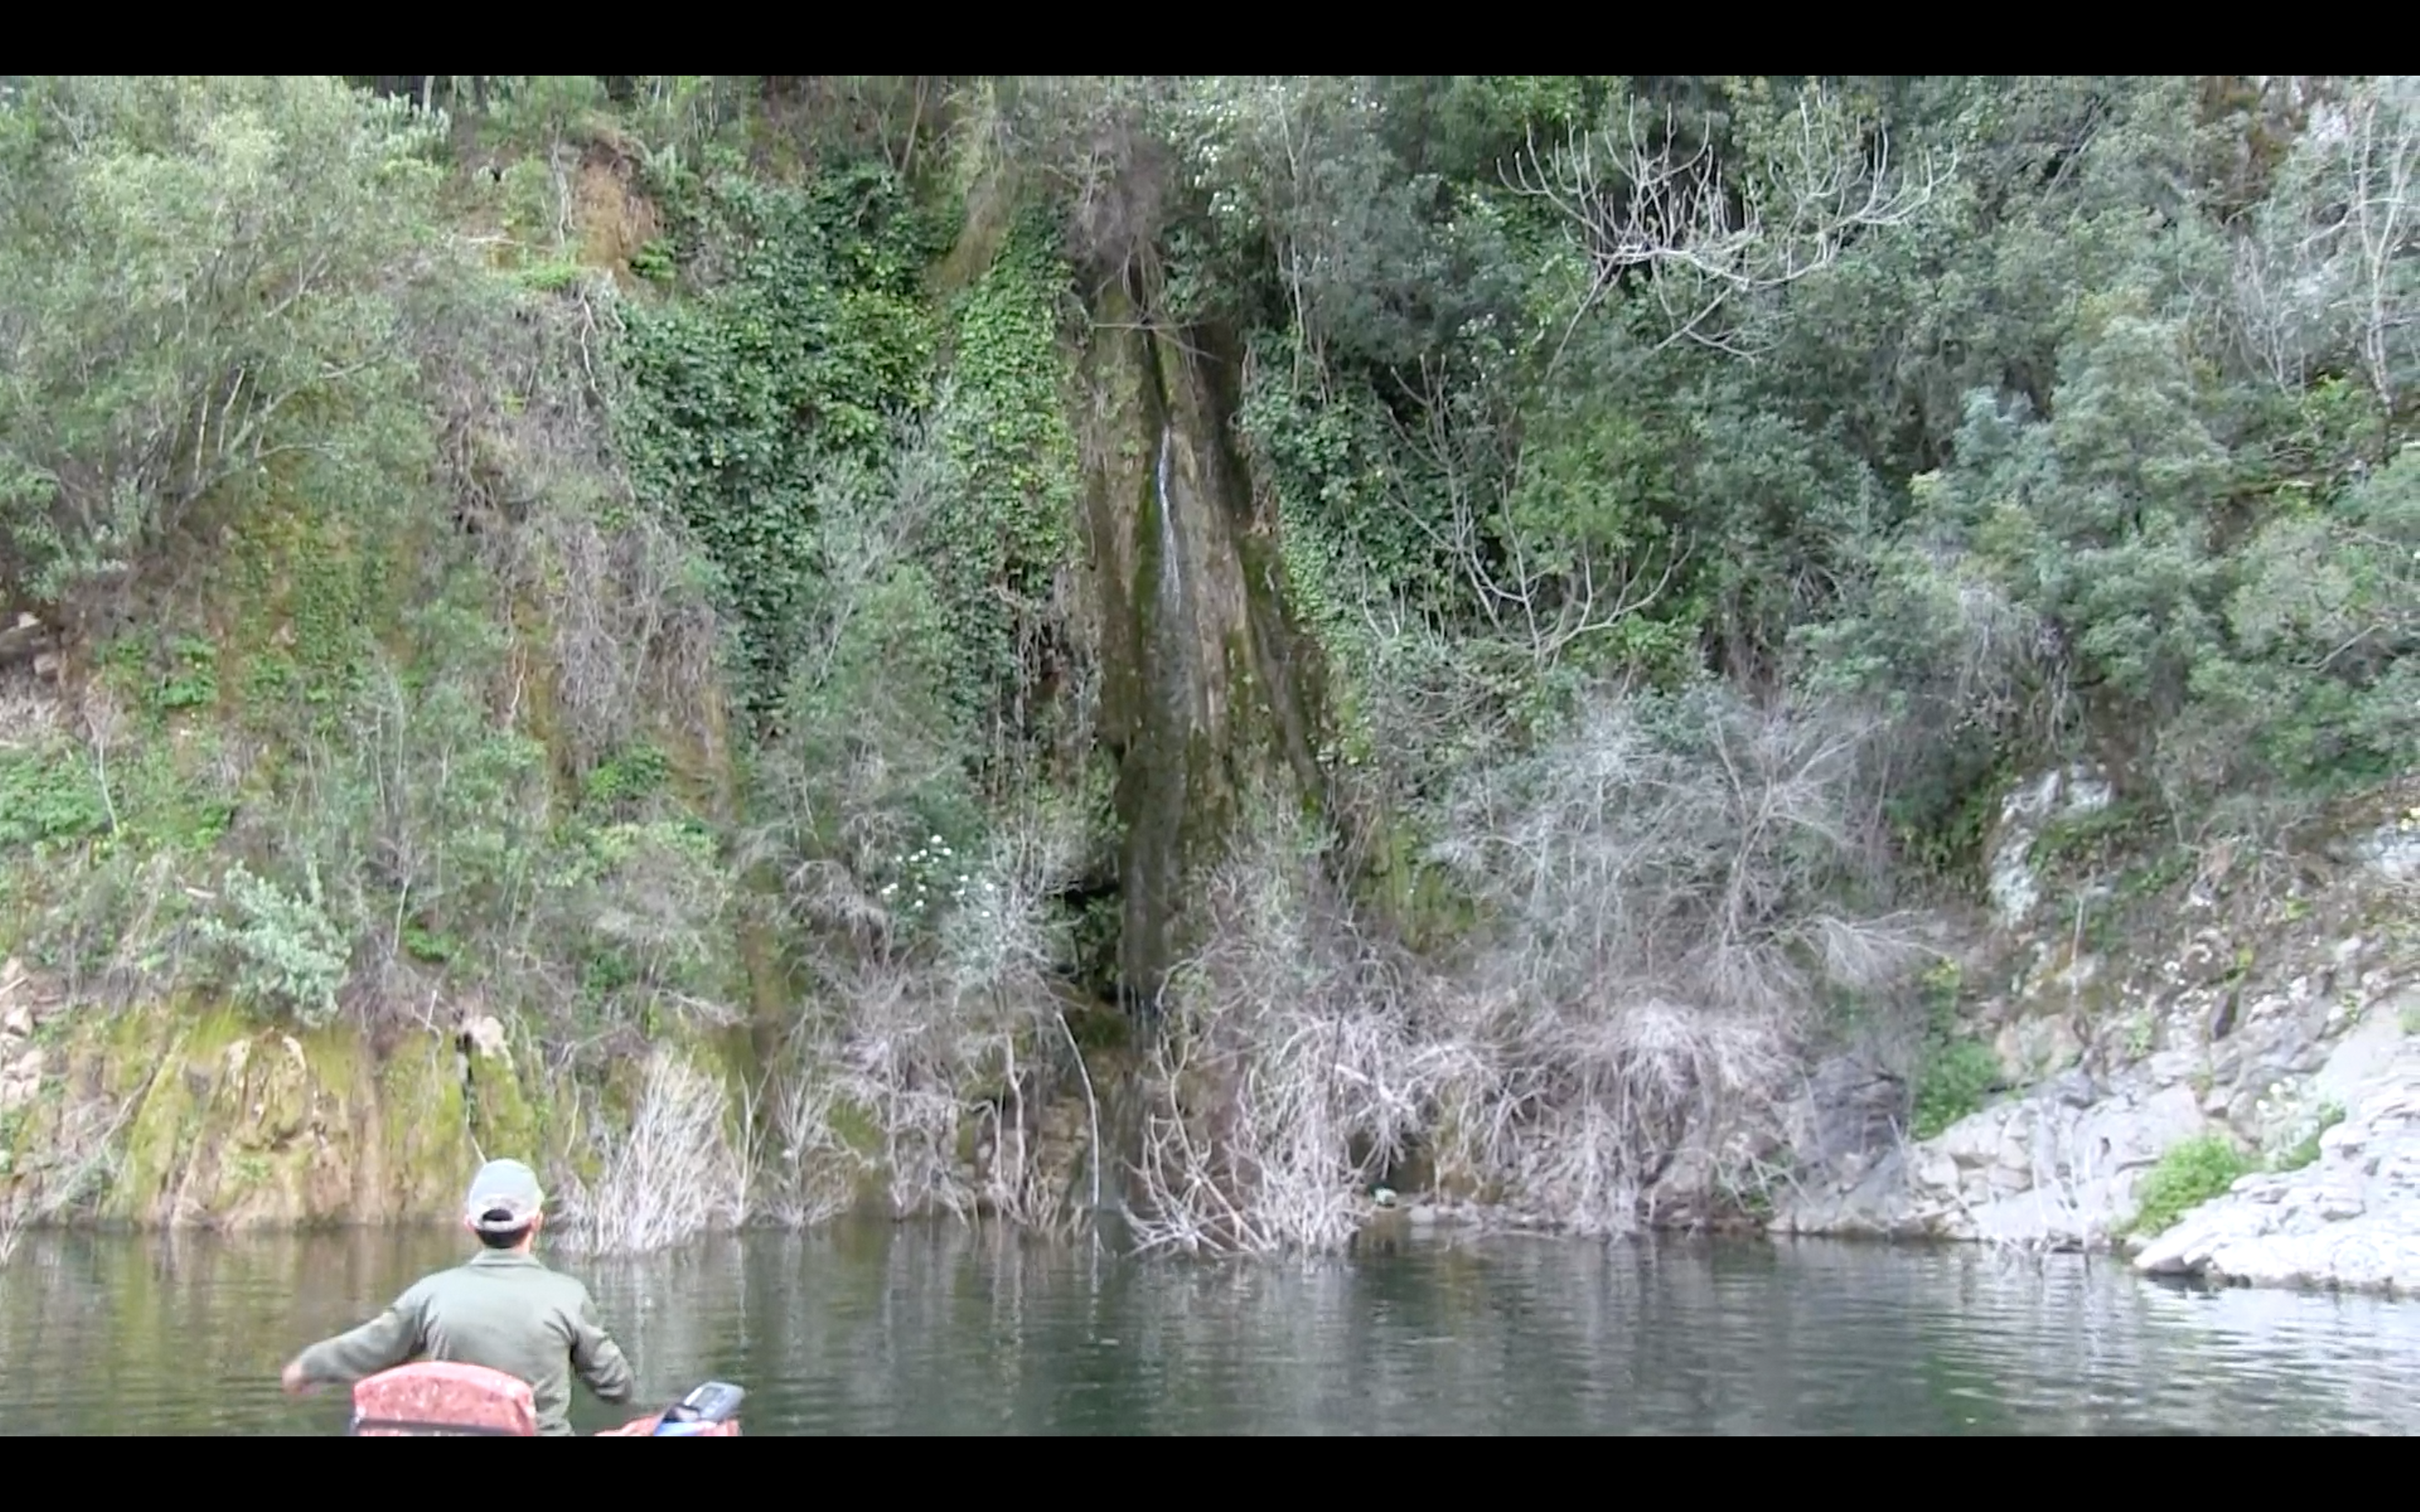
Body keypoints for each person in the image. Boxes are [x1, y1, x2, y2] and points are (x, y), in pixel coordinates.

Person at [280, 1158, 636, 1436]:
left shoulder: (431, 1295)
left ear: (470, 1225)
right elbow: (618, 1387)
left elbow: (369, 1347)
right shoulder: (567, 1296)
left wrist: (308, 1367)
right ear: (537, 1222)